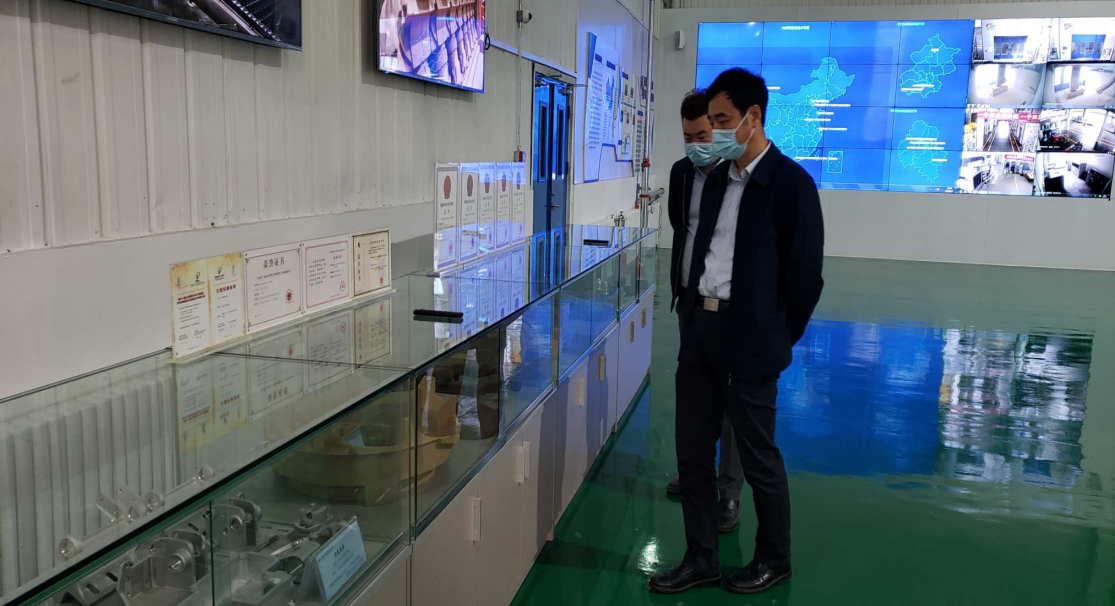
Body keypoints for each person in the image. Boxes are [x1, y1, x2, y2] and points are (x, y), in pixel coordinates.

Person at [650, 68, 824, 596]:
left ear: (754, 117)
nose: (717, 132)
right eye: (713, 121)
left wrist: (775, 340)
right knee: (692, 452)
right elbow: (697, 247)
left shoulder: (791, 186)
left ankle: (774, 557)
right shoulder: (717, 181)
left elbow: (805, 281)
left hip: (750, 343)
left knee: (757, 456)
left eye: (723, 121)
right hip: (700, 332)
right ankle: (701, 557)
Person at [665, 90, 744, 534]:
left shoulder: (740, 177)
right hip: (691, 304)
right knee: (696, 398)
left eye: (702, 136)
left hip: (731, 310)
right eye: (688, 137)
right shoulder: (681, 174)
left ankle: (729, 493)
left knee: (732, 403)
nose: (695, 145)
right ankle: (698, 475)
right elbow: (682, 229)